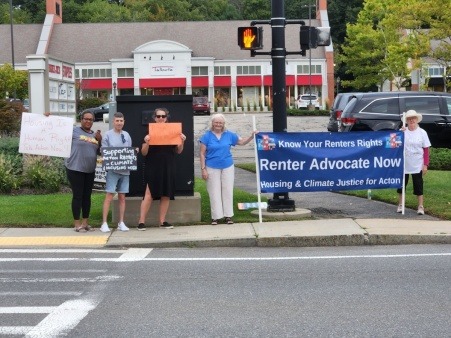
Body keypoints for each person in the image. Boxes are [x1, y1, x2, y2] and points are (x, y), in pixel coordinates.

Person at [199, 113, 257, 225]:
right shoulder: (207, 136)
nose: (218, 124)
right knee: (214, 191)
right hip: (211, 166)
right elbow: (202, 153)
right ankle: (215, 217)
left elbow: (241, 142)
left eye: (220, 122)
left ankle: (228, 216)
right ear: (212, 123)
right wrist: (203, 169)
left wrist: (251, 136)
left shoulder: (229, 134)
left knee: (227, 190)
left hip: (227, 166)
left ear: (223, 123)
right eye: (216, 122)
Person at [137, 108, 186, 230]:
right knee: (148, 194)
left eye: (163, 116)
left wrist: (182, 141)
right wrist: (147, 142)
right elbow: (143, 153)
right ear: (154, 117)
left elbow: (179, 151)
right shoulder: (147, 131)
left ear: (166, 118)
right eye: (158, 116)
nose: (161, 118)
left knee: (166, 194)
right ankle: (141, 222)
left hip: (168, 165)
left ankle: (162, 221)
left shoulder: (173, 131)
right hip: (152, 165)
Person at [65, 111, 102, 232]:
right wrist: (47, 117)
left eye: (91, 119)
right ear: (81, 119)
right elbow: (57, 130)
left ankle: (85, 223)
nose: (88, 121)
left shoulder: (95, 135)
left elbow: (99, 152)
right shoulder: (74, 131)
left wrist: (99, 141)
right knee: (78, 196)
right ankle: (77, 223)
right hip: (75, 168)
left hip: (89, 170)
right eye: (86, 119)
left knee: (87, 197)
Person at [100, 112, 133, 233]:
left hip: (125, 170)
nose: (119, 123)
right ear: (113, 122)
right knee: (109, 195)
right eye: (117, 121)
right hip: (113, 170)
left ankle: (121, 222)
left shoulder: (126, 135)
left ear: (124, 122)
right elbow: (103, 151)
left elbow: (129, 151)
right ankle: (104, 223)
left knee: (122, 197)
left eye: (121, 121)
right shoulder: (107, 135)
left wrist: (134, 151)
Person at [397, 110, 431, 215]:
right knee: (402, 184)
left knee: (418, 184)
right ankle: (400, 204)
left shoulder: (422, 132)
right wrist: (400, 134)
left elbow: (426, 149)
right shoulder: (402, 131)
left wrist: (425, 164)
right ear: (406, 121)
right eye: (409, 119)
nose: (411, 120)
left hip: (417, 163)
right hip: (404, 163)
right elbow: (395, 145)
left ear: (417, 120)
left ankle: (420, 206)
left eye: (413, 118)